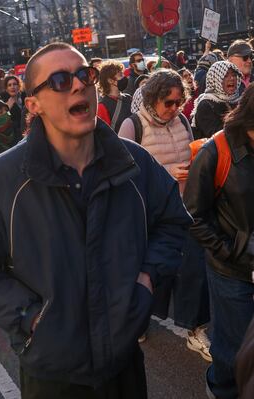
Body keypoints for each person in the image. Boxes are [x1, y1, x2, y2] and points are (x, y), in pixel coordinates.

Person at [0, 42, 192, 398]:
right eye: (59, 80)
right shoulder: (1, 179)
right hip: (51, 375)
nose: (78, 85)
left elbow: (173, 221)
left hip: (123, 368)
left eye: (84, 75)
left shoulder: (133, 162)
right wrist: (30, 317)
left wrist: (147, 280)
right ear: (33, 105)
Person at [118, 70, 211, 359]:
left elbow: (191, 154)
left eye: (179, 102)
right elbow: (123, 175)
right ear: (152, 99)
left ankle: (194, 328)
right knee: (152, 271)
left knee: (191, 270)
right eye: (168, 103)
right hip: (149, 214)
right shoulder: (132, 126)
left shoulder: (183, 120)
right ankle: (139, 319)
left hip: (185, 207)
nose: (174, 109)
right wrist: (165, 174)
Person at [183, 84, 254, 399]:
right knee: (232, 348)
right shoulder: (217, 151)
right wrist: (229, 252)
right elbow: (193, 216)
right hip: (232, 271)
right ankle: (221, 389)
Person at [192, 61, 242, 139]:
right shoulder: (206, 104)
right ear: (215, 80)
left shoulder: (238, 100)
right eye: (225, 75)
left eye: (234, 75)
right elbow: (217, 136)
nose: (232, 78)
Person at [96, 60, 132, 133]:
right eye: (120, 75)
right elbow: (105, 134)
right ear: (110, 81)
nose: (124, 77)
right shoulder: (102, 105)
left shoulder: (128, 98)